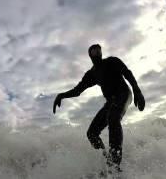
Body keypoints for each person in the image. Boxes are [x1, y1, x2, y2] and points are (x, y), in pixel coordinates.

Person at [53, 44, 145, 172]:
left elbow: (127, 73)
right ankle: (106, 159)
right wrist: (61, 95)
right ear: (90, 55)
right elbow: (77, 90)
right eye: (93, 51)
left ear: (101, 52)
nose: (97, 52)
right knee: (92, 133)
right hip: (110, 102)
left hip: (124, 94)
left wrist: (137, 91)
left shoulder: (112, 61)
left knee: (113, 118)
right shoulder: (92, 74)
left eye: (98, 50)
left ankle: (115, 164)